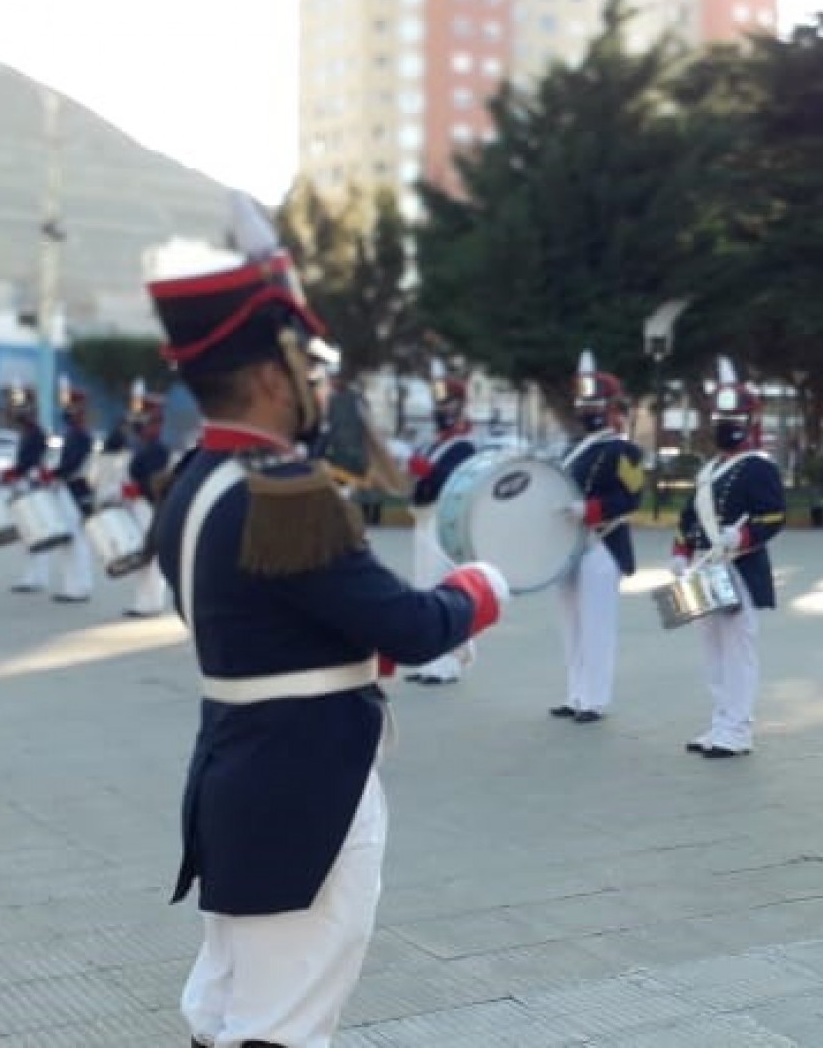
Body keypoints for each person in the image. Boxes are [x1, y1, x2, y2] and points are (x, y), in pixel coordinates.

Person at [145, 192, 512, 1048]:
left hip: (239, 770)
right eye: (310, 368)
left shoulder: (193, 481)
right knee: (282, 1023)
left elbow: (258, 619)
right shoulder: (288, 496)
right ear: (272, 378)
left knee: (227, 1005)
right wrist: (482, 585)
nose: (320, 384)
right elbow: (416, 628)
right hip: (305, 785)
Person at [672, 357, 786, 758]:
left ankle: (738, 729)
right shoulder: (710, 469)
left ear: (750, 419)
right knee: (712, 647)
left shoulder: (758, 466)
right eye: (721, 414)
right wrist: (681, 549)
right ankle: (720, 720)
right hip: (704, 566)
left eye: (733, 414)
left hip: (739, 566)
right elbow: (689, 516)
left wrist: (742, 534)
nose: (725, 421)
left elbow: (774, 515)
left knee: (738, 648)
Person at [551, 350, 644, 723]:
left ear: (610, 407)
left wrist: (589, 511)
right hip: (570, 545)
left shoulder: (625, 450)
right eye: (582, 401)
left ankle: (594, 699)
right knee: (570, 623)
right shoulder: (572, 448)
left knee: (596, 625)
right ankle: (575, 693)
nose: (586, 408)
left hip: (603, 543)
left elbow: (632, 497)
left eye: (593, 402)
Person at [406, 368, 479, 685]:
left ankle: (451, 660)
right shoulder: (435, 443)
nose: (441, 411)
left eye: (447, 405)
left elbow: (449, 478)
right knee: (424, 588)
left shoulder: (463, 445)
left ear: (460, 407)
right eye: (439, 405)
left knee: (442, 588)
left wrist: (423, 468)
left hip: (442, 517)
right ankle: (430, 659)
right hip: (423, 516)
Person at [121, 389, 172, 618]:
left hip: (149, 505)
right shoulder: (143, 446)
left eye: (148, 423)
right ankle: (145, 600)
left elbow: (154, 483)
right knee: (141, 553)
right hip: (139, 503)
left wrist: (137, 489)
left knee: (147, 554)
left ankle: (150, 602)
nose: (142, 428)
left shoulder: (158, 449)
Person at [45, 381, 97, 603]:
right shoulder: (72, 434)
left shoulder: (81, 436)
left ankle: (79, 587)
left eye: (72, 409)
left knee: (75, 541)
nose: (68, 413)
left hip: (75, 491)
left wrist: (55, 474)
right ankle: (72, 585)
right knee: (69, 542)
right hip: (68, 489)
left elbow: (73, 465)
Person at [2, 387, 56, 595]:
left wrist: (16, 471)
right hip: (25, 481)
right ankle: (32, 575)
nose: (18, 415)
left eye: (21, 410)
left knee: (35, 531)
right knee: (27, 533)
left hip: (32, 483)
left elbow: (32, 461)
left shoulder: (36, 433)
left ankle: (38, 576)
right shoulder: (27, 433)